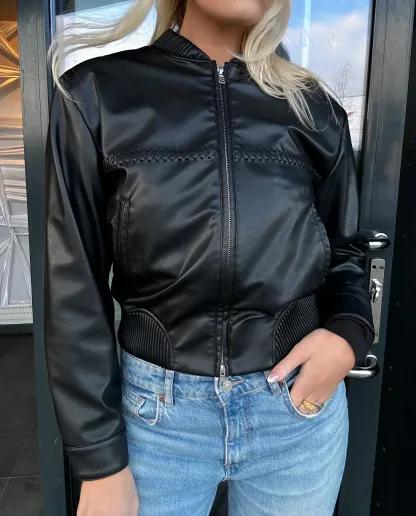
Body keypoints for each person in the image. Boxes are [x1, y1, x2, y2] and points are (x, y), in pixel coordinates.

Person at [44, 1, 375, 515]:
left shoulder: (312, 108)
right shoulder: (97, 94)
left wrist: (349, 333)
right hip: (155, 421)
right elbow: (73, 286)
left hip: (295, 410)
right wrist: (99, 460)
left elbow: (345, 250)